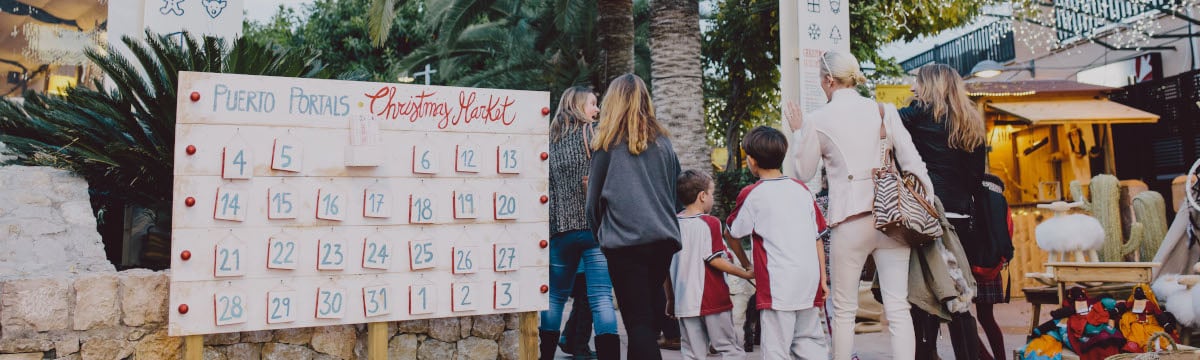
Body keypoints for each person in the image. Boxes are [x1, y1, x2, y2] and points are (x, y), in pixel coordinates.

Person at [786, 50, 931, 360]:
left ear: (828, 80)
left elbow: (804, 172)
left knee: (843, 309)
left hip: (849, 219)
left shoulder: (817, 119)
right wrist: (927, 200)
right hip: (891, 217)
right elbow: (913, 163)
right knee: (898, 306)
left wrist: (799, 133)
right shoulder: (883, 110)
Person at [586, 73, 682, 360]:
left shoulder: (606, 146)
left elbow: (593, 204)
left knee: (637, 322)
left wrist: (601, 237)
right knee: (645, 319)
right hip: (662, 241)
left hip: (625, 243)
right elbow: (675, 193)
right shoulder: (664, 144)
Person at [898, 63, 990, 360]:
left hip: (926, 216)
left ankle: (926, 354)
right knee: (959, 294)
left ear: (928, 86)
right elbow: (976, 178)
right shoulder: (971, 120)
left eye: (917, 83)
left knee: (921, 295)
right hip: (961, 218)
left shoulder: (915, 115)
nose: (913, 88)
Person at [727, 126, 830, 359]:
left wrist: (746, 264)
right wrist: (823, 278)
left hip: (777, 285)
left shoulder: (752, 193)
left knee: (776, 348)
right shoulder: (801, 190)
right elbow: (817, 237)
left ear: (752, 161)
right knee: (810, 342)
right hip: (808, 279)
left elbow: (732, 233)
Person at [544, 86, 619, 360]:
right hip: (593, 229)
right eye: (593, 104)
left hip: (560, 231)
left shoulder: (549, 140)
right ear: (578, 106)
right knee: (600, 297)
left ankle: (545, 355)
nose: (597, 109)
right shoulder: (596, 134)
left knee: (554, 299)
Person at [666, 169, 754, 360]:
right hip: (713, 299)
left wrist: (671, 299)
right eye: (712, 193)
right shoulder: (710, 223)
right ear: (702, 196)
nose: (713, 198)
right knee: (728, 348)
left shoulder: (672, 224)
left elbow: (667, 267)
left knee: (692, 353)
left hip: (684, 301)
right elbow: (714, 259)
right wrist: (746, 273)